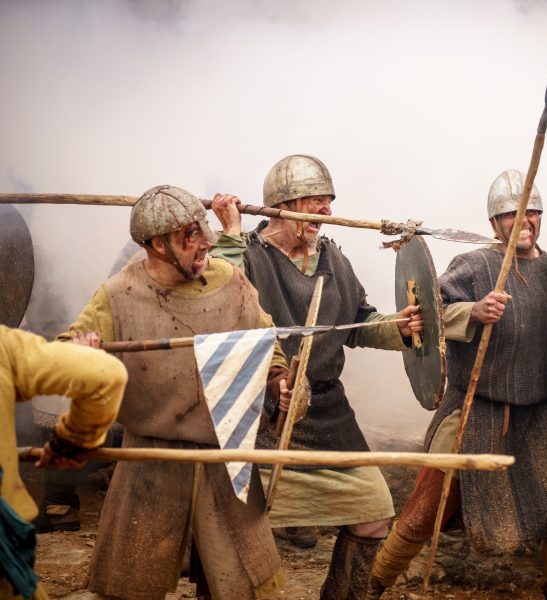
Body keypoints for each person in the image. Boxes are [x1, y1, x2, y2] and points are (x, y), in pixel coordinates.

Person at [61, 185, 290, 600]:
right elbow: (64, 353)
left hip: (225, 459)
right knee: (129, 588)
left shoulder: (230, 280)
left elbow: (266, 340)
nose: (205, 243)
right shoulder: (118, 295)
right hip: (151, 462)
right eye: (189, 235)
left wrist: (280, 381)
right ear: (156, 244)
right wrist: (80, 354)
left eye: (201, 229)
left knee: (242, 589)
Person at [210, 154, 422, 600]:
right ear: (283, 204)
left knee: (374, 515)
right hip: (259, 413)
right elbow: (219, 301)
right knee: (233, 530)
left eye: (329, 202)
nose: (326, 212)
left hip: (327, 411)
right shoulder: (244, 253)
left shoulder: (334, 260)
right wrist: (227, 234)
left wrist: (397, 327)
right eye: (315, 201)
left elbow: (359, 323)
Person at [368, 169, 547, 599]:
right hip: (476, 405)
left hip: (539, 407)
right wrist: (472, 311)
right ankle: (373, 583)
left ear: (540, 215)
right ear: (494, 224)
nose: (523, 221)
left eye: (530, 212)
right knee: (426, 508)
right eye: (510, 215)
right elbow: (423, 314)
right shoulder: (474, 264)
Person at [1, 325, 126, 600]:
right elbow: (103, 372)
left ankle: (60, 507)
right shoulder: (4, 347)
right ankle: (60, 507)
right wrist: (70, 443)